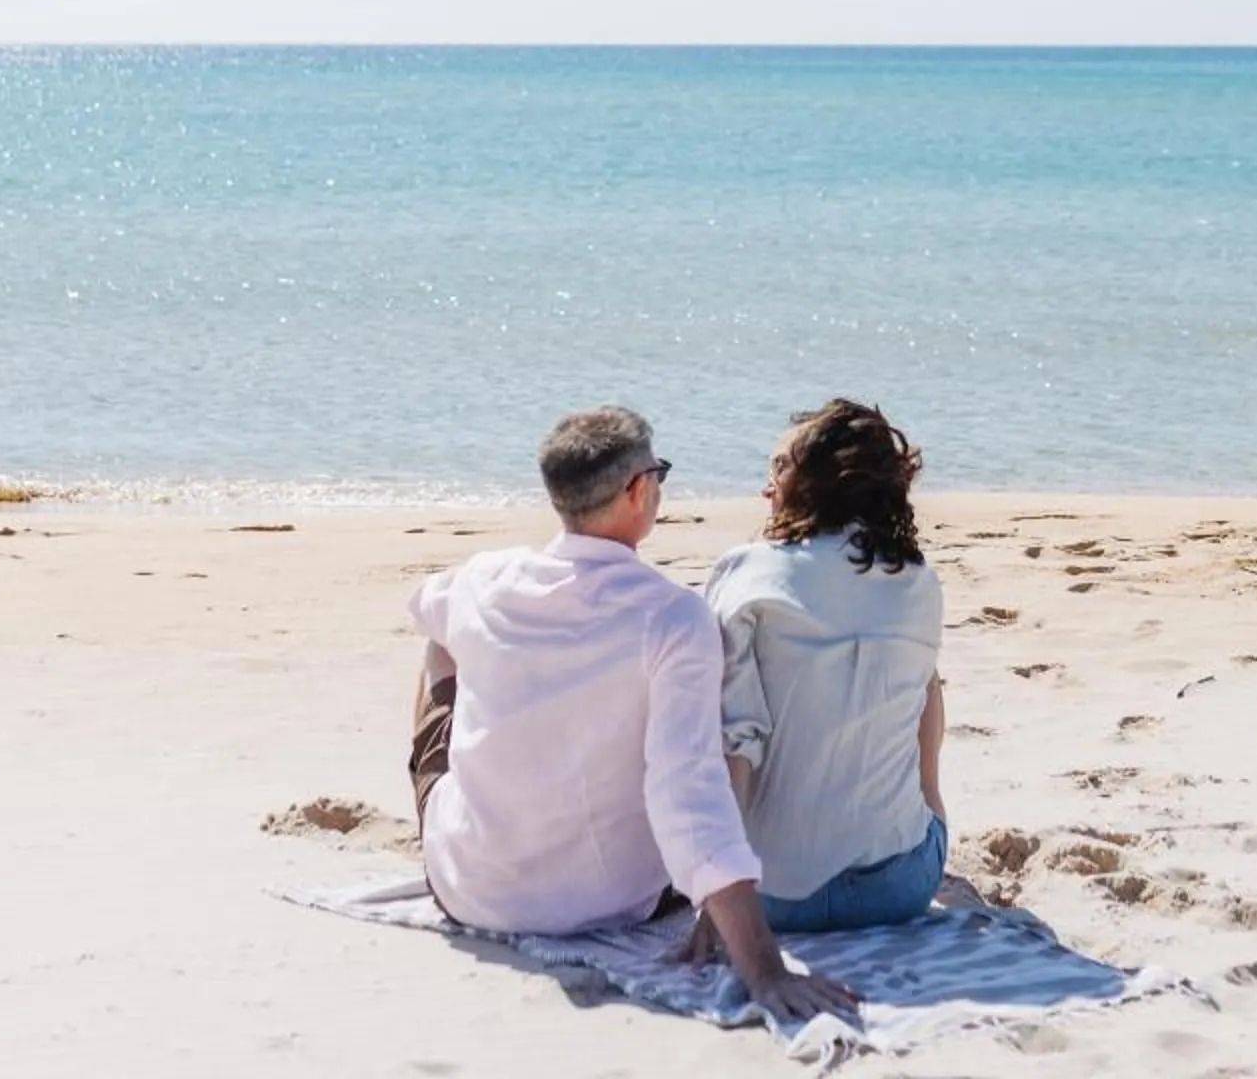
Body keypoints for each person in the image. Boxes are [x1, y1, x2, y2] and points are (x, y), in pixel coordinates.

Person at [406, 405, 858, 1026]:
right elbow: (688, 791)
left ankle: (472, 822)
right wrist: (764, 968)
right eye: (660, 475)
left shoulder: (483, 578)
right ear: (638, 490)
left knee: (439, 645)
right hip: (612, 903)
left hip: (470, 890)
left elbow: (422, 608)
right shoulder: (672, 617)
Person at [699, 398, 948, 934]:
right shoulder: (920, 581)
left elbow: (734, 740)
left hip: (772, 896)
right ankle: (925, 815)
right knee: (924, 680)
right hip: (900, 888)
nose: (766, 487)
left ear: (821, 481)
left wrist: (719, 892)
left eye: (779, 468)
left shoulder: (747, 572)